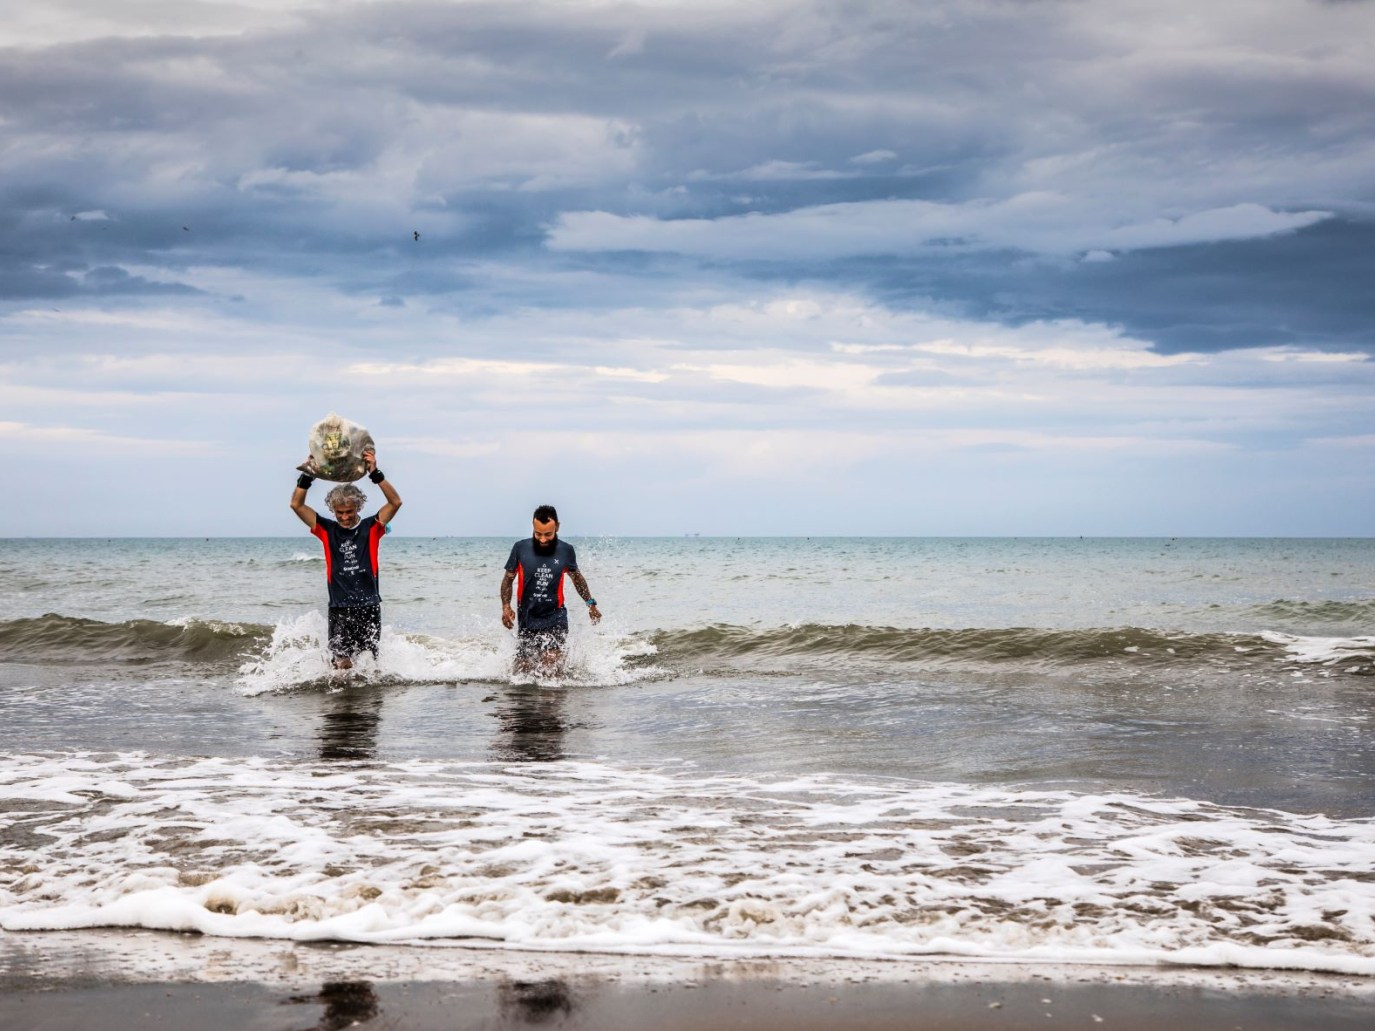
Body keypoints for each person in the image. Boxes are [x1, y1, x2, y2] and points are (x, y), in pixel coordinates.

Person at [290, 449, 402, 669]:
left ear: (357, 507)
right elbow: (297, 505)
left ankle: (364, 703)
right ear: (333, 510)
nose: (344, 517)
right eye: (339, 512)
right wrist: (307, 475)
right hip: (340, 609)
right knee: (340, 664)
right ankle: (341, 702)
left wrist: (375, 473)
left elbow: (395, 502)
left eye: (349, 511)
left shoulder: (372, 527)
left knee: (369, 665)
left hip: (369, 607)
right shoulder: (326, 529)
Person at [500, 505, 601, 674]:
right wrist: (506, 607)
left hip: (556, 616)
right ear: (533, 527)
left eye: (548, 534)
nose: (543, 539)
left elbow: (577, 578)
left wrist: (590, 604)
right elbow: (508, 579)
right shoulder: (520, 548)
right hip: (527, 617)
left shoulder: (566, 551)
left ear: (557, 527)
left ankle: (555, 698)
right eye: (538, 533)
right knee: (522, 670)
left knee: (550, 665)